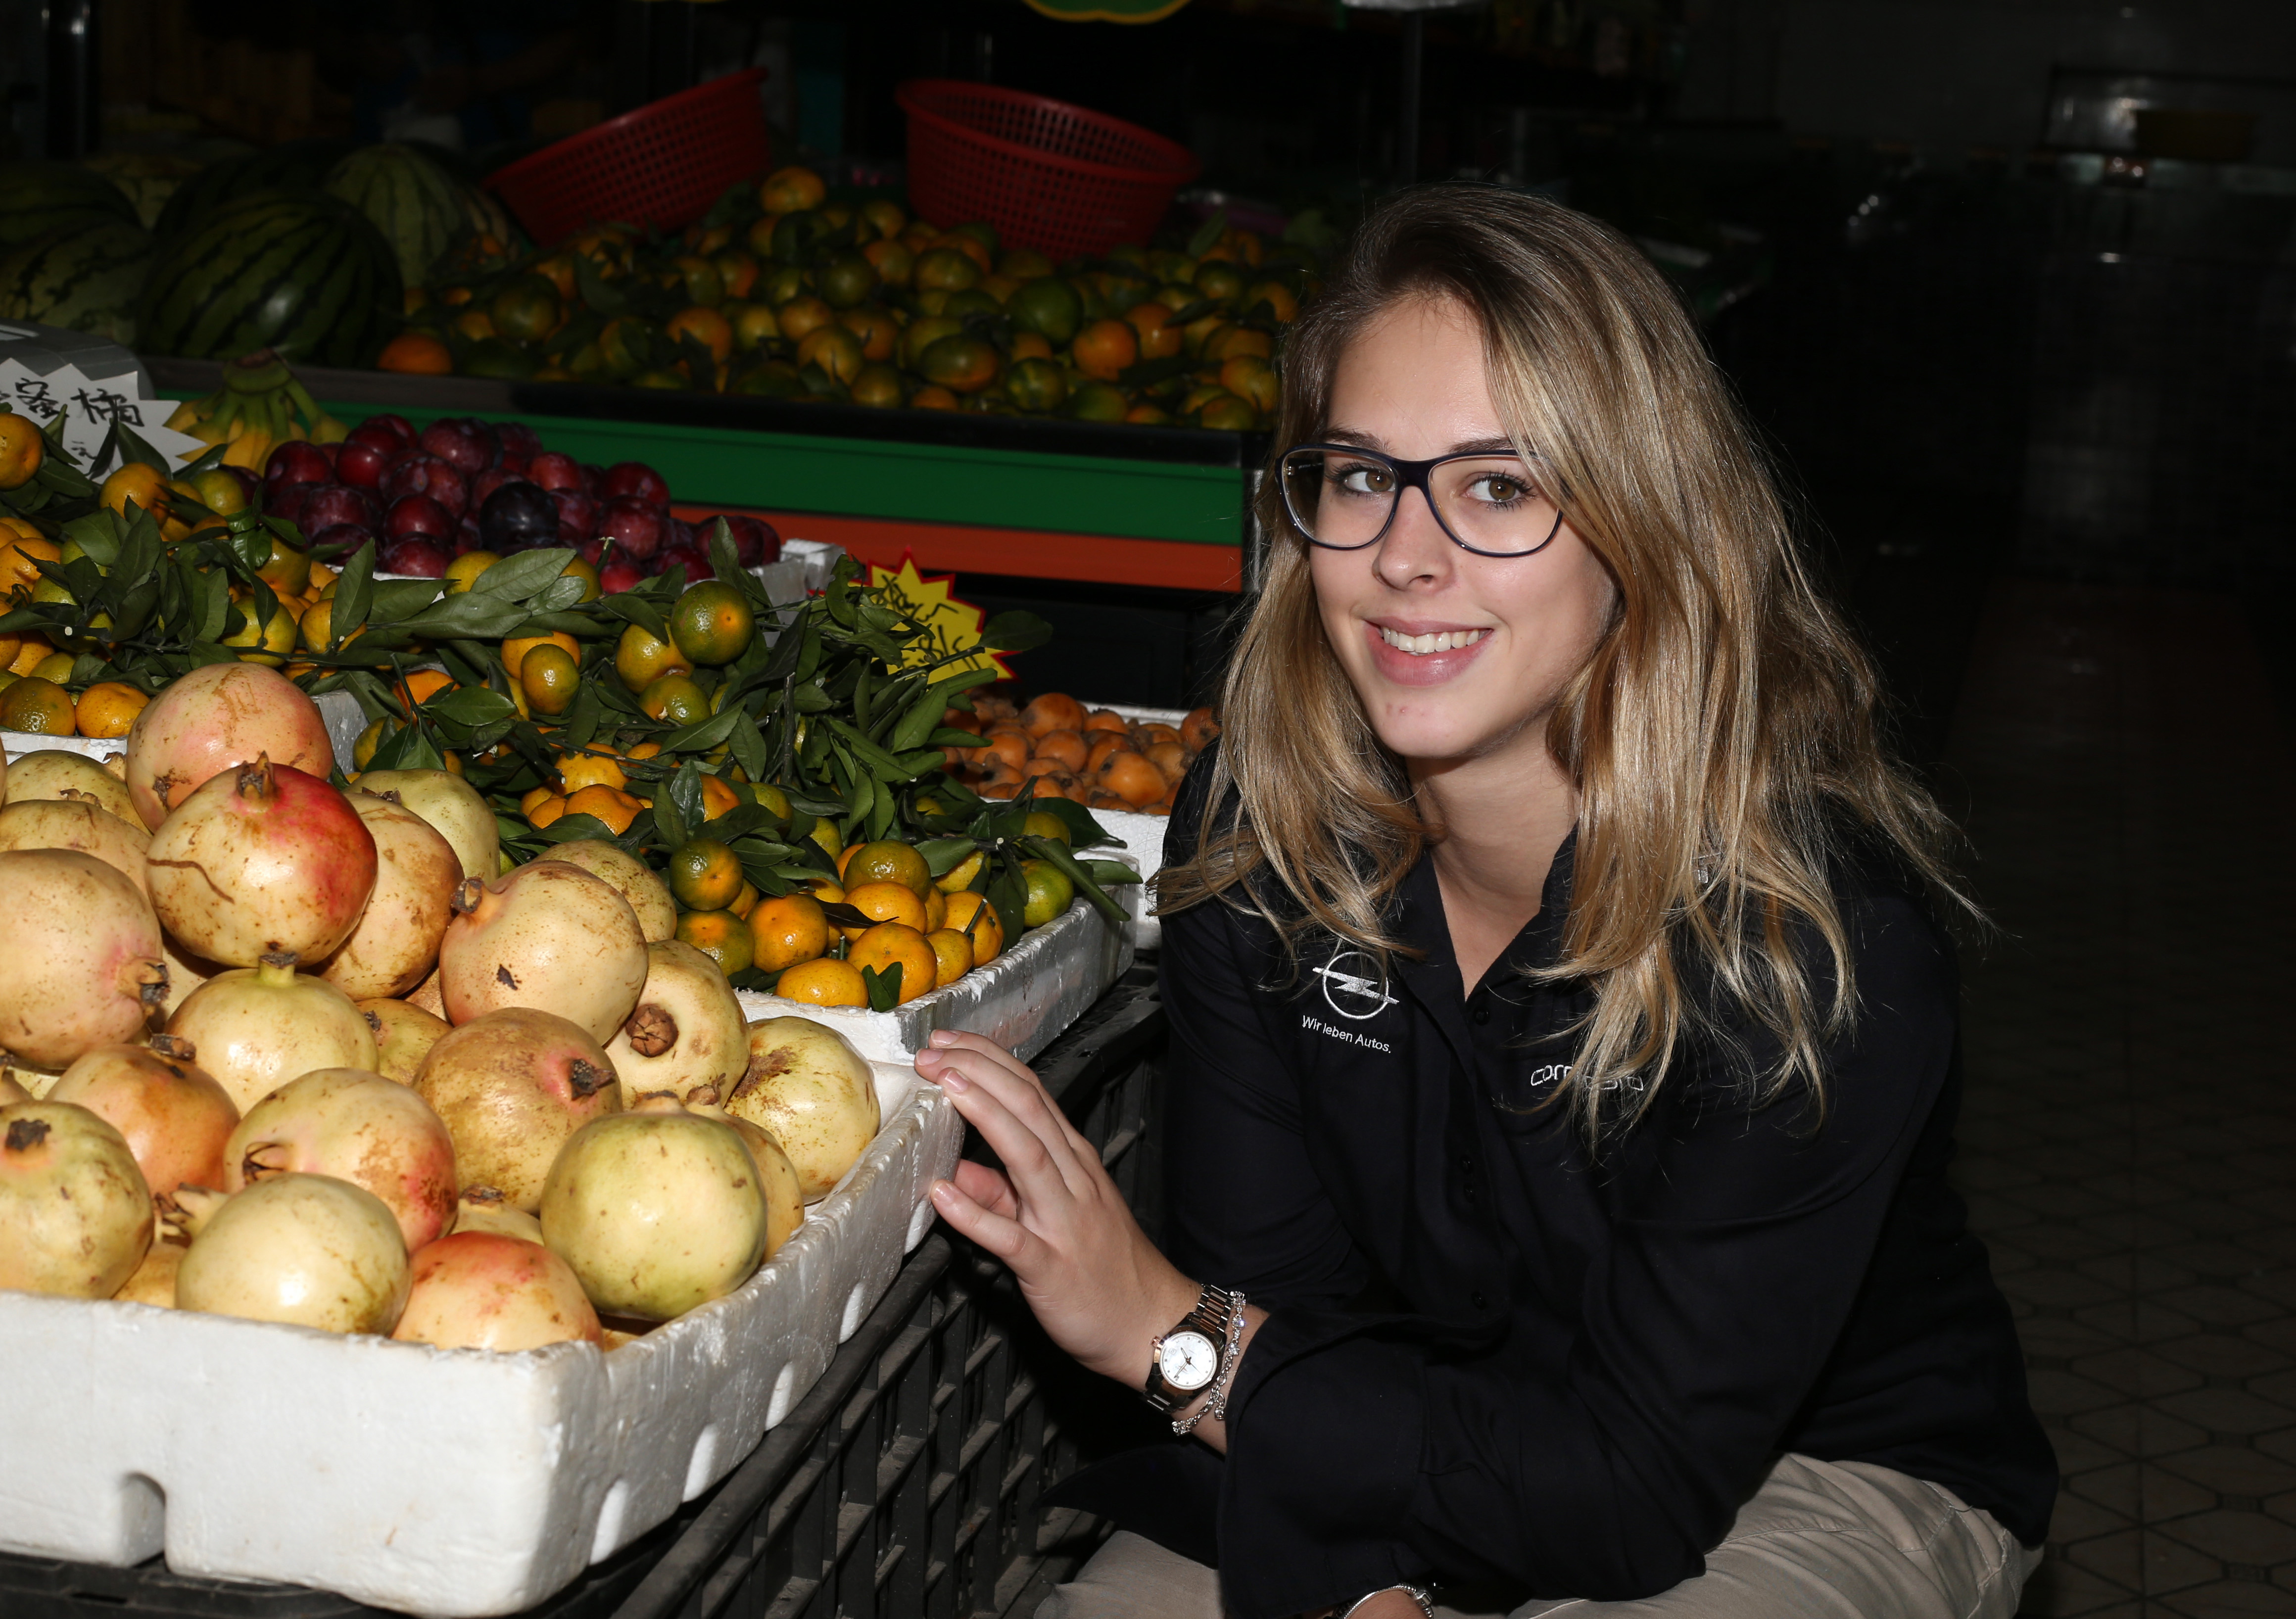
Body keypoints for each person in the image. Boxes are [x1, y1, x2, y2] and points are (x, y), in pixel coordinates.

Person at [914, 184, 2054, 1619]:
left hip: (1798, 1467)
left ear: (1644, 531)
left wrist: (1163, 1337)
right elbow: (1285, 1302)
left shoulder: (1811, 941)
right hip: (1378, 1415)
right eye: (1359, 476)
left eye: (1499, 486)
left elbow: (1628, 1490)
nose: (1406, 554)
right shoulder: (1258, 833)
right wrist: (1360, 1583)